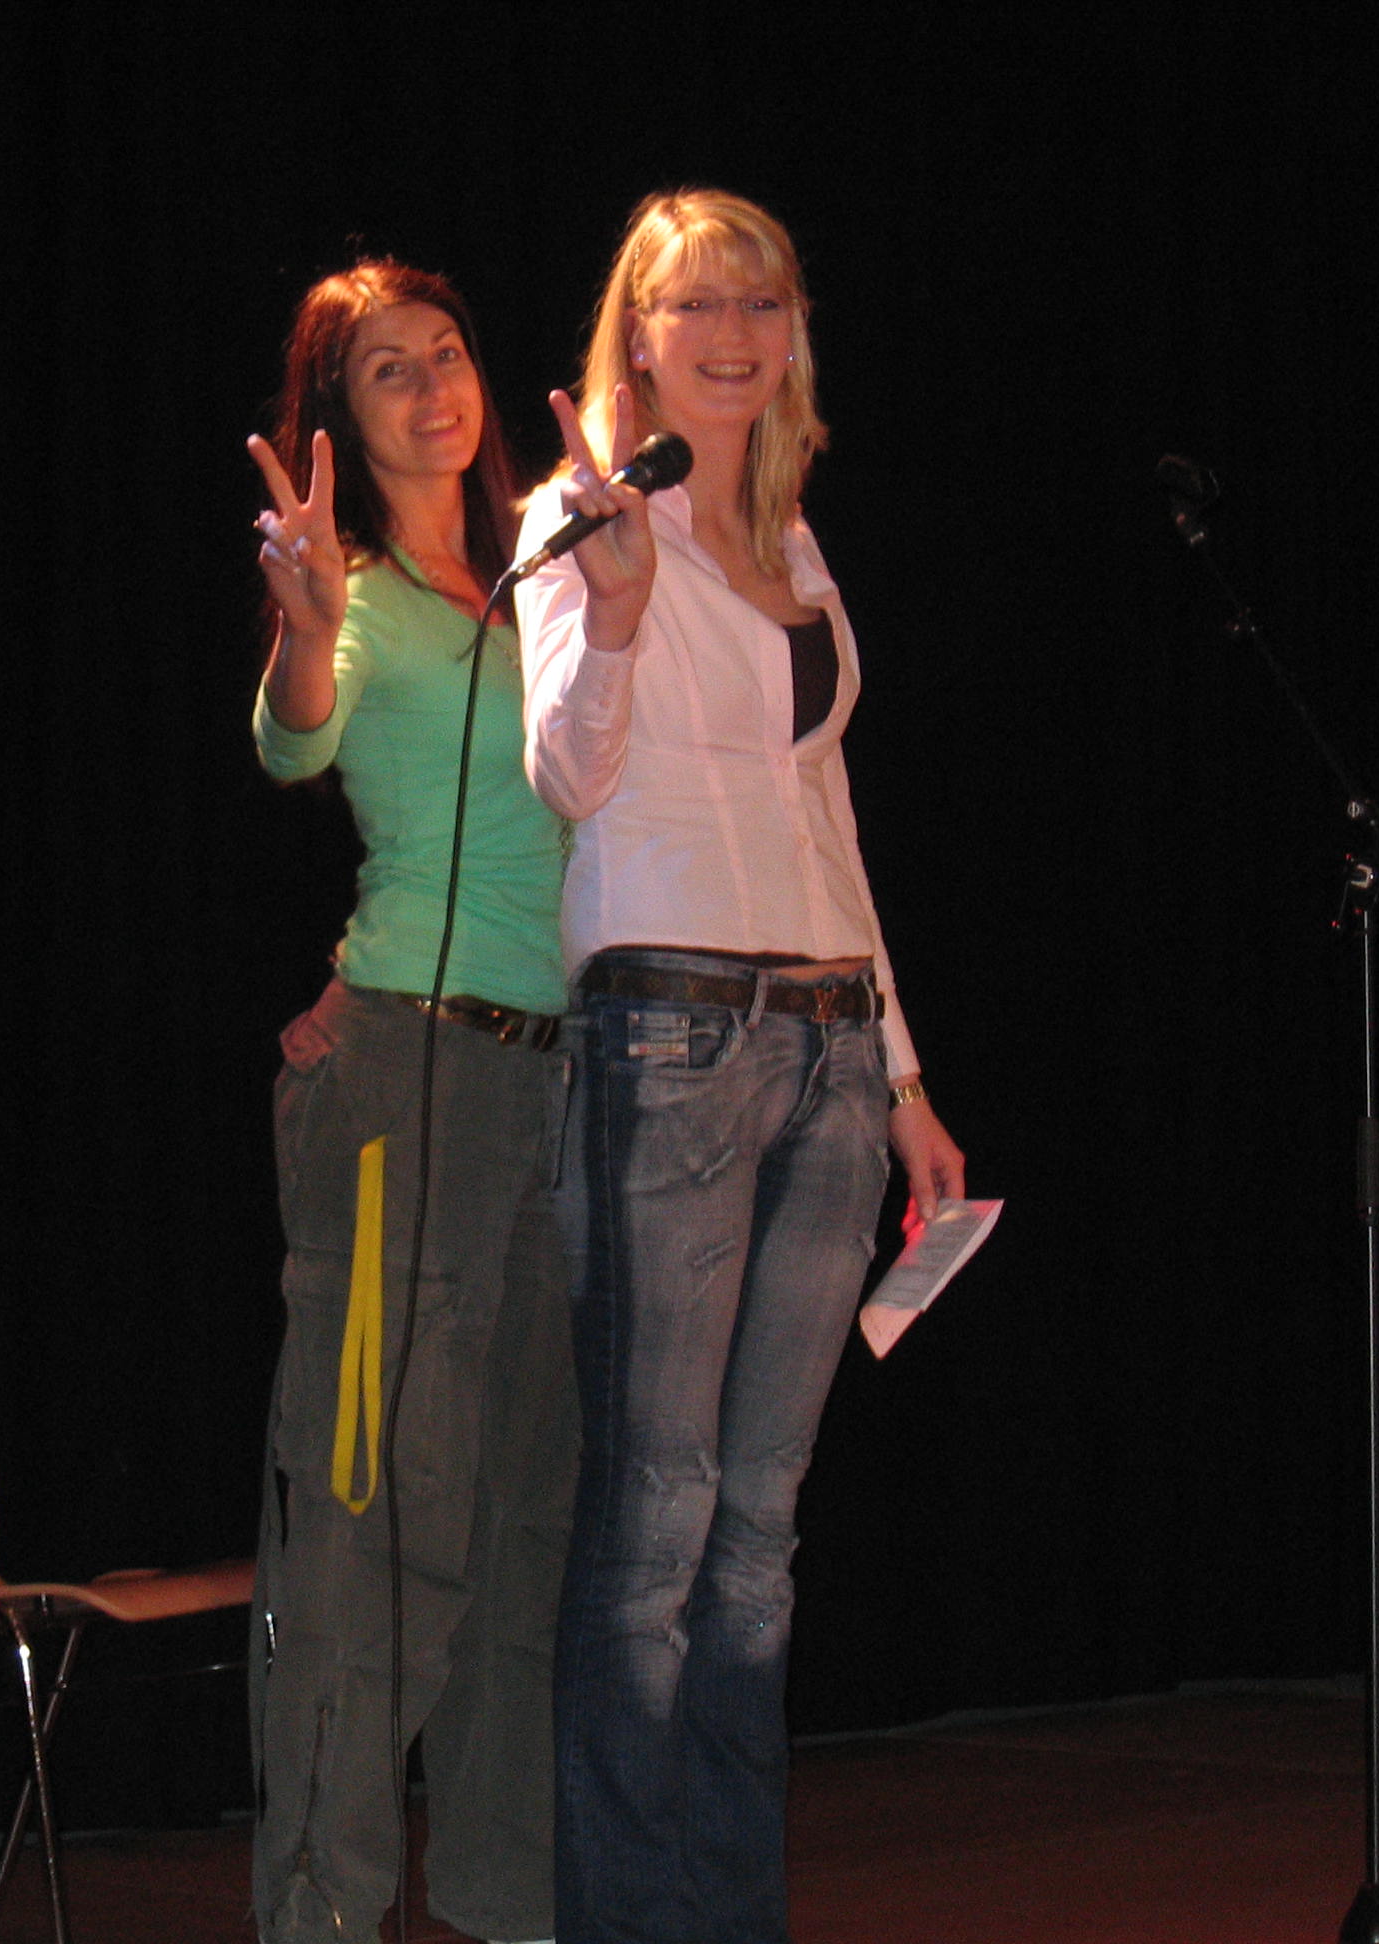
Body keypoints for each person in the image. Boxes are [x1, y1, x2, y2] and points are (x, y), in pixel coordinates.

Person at [514, 188, 968, 1944]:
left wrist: (904, 1077)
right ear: (635, 336)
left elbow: (821, 812)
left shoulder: (793, 533)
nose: (731, 334)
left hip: (831, 1052)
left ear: (794, 334)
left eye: (760, 302)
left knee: (759, 1536)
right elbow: (567, 776)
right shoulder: (582, 515)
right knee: (654, 1520)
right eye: (694, 304)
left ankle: (730, 1917)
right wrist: (622, 609)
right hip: (674, 1033)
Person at [242, 260, 575, 1944]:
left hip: (551, 1097)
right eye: (389, 370)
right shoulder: (361, 597)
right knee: (377, 1537)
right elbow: (295, 740)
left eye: (449, 354)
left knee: (522, 1542)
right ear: (338, 415)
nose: (435, 387)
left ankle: (513, 1909)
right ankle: (320, 1917)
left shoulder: (541, 584)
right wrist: (303, 631)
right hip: (411, 1084)